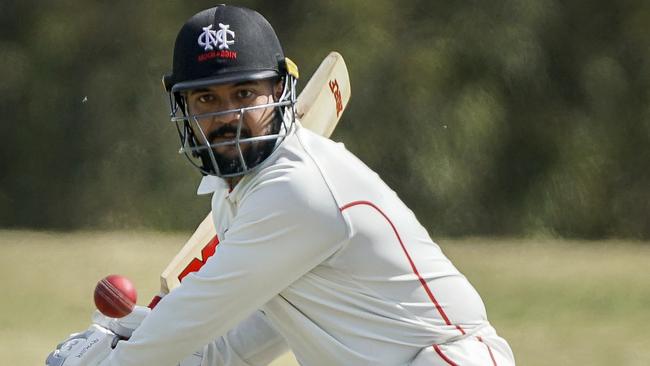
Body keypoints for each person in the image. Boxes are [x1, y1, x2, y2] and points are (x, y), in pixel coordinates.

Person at [47, 4, 515, 366]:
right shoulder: (238, 195)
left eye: (244, 94)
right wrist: (149, 334)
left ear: (279, 93)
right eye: (207, 98)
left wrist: (124, 356)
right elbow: (237, 345)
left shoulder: (297, 189)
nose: (227, 116)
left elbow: (197, 312)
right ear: (183, 108)